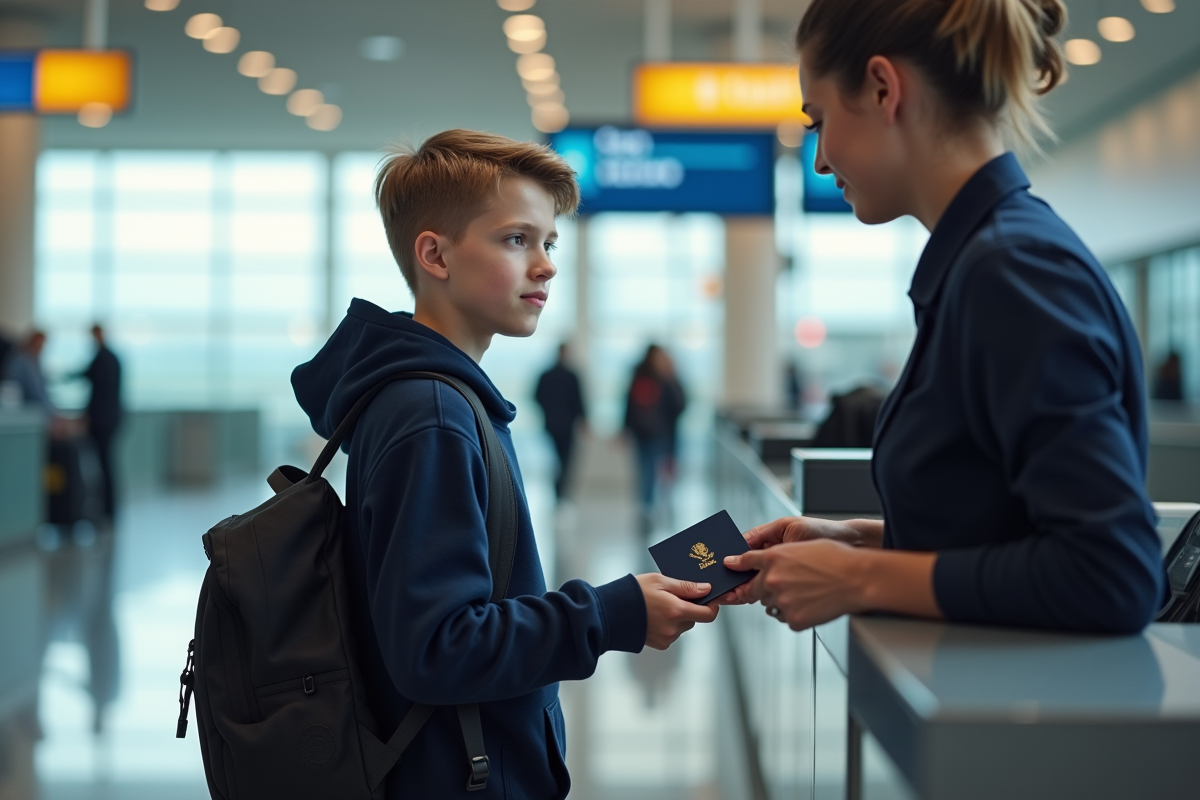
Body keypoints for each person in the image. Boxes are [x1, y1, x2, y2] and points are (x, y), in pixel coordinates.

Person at [290, 130, 717, 800]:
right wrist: (609, 614)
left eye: (549, 243)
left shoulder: (440, 399)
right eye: (517, 240)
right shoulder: (431, 414)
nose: (545, 265)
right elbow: (436, 648)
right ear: (434, 254)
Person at [721, 0, 1164, 634]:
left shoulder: (1012, 271)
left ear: (882, 88)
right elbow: (999, 526)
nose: (819, 160)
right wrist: (855, 540)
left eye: (818, 121)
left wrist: (858, 577)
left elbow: (1112, 573)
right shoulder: (984, 261)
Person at [623, 344, 686, 535]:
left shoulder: (660, 378)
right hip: (651, 432)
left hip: (654, 432)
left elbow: (678, 405)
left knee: (651, 467)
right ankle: (648, 505)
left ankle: (649, 504)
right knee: (649, 467)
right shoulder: (652, 378)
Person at [80, 324, 122, 524]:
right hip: (112, 419)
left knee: (104, 465)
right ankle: (109, 508)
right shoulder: (112, 358)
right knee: (107, 464)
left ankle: (107, 508)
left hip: (102, 421)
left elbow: (96, 390)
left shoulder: (102, 359)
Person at [534, 342, 587, 502]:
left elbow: (536, 397)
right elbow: (579, 402)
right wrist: (583, 420)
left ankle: (559, 495)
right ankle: (562, 495)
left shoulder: (546, 375)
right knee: (565, 462)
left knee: (559, 461)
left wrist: (547, 411)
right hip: (566, 426)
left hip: (551, 424)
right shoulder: (571, 376)